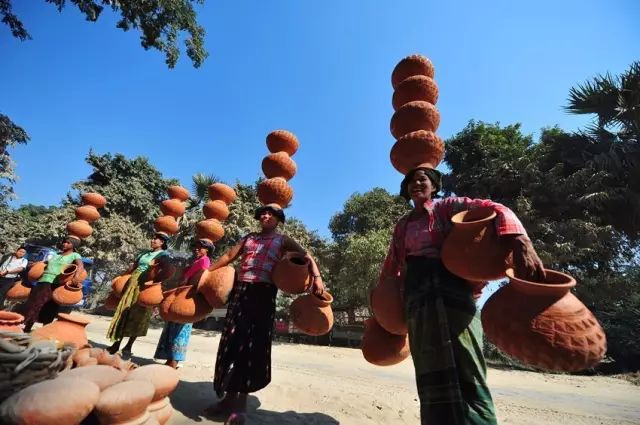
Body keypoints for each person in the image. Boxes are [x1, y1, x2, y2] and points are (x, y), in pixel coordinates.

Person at [378, 167, 545, 425]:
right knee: (429, 371)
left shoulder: (448, 208)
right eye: (411, 181)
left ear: (434, 186)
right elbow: (391, 269)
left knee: (469, 366)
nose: (416, 183)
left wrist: (521, 241)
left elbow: (495, 208)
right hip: (418, 302)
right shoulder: (403, 226)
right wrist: (384, 308)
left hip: (454, 295)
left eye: (423, 179)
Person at [204, 204, 325, 424]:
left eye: (271, 214)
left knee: (252, 345)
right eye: (263, 214)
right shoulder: (249, 237)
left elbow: (307, 257)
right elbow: (230, 255)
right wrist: (207, 273)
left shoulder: (283, 240)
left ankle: (240, 405)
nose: (266, 216)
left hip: (264, 295)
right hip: (241, 292)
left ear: (278, 219)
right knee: (233, 341)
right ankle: (227, 400)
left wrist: (316, 278)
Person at [106, 232, 171, 355]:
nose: (152, 240)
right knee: (124, 311)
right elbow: (133, 267)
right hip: (132, 283)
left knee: (138, 315)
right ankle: (116, 344)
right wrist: (121, 278)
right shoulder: (144, 253)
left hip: (144, 286)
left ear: (162, 242)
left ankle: (128, 346)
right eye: (152, 238)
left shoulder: (163, 256)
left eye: (155, 239)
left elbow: (167, 271)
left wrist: (154, 281)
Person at [154, 238, 214, 368]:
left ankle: (174, 361)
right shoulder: (196, 261)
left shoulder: (205, 261)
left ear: (207, 250)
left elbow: (200, 278)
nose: (197, 249)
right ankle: (170, 359)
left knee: (181, 327)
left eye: (200, 247)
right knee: (173, 325)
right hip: (183, 294)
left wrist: (187, 283)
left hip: (189, 296)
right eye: (196, 247)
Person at [22, 236, 84, 332]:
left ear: (73, 245)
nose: (64, 244)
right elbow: (45, 262)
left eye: (68, 243)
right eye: (64, 242)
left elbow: (80, 266)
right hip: (42, 281)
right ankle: (27, 327)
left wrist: (76, 277)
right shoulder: (56, 255)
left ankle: (45, 329)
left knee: (50, 307)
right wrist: (36, 264)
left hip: (55, 284)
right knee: (35, 304)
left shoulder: (75, 255)